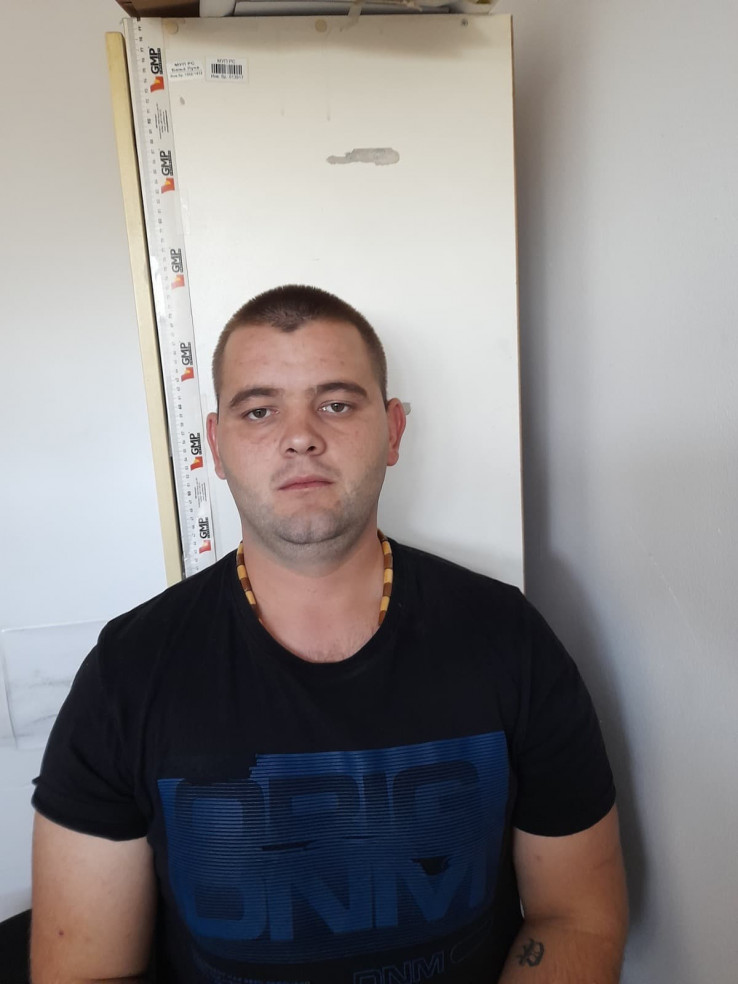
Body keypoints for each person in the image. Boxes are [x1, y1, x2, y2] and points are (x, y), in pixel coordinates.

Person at [30, 285, 628, 984]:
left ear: (393, 431)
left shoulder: (509, 638)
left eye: (337, 404)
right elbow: (84, 970)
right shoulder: (128, 671)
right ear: (216, 445)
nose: (301, 435)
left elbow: (578, 917)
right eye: (260, 410)